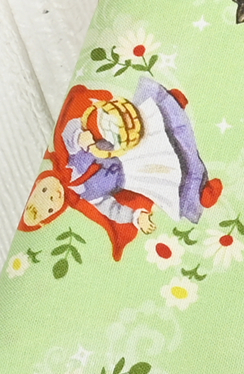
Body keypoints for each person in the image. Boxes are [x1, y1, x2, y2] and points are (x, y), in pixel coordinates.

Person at [18, 77, 222, 260]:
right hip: (132, 172)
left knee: (148, 125)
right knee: (166, 176)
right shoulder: (87, 194)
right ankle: (198, 191)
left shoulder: (66, 158)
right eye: (50, 208)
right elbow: (111, 209)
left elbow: (69, 130)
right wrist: (136, 217)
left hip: (122, 147)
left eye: (44, 191)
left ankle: (169, 107)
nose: (52, 197)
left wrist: (80, 138)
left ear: (40, 181)